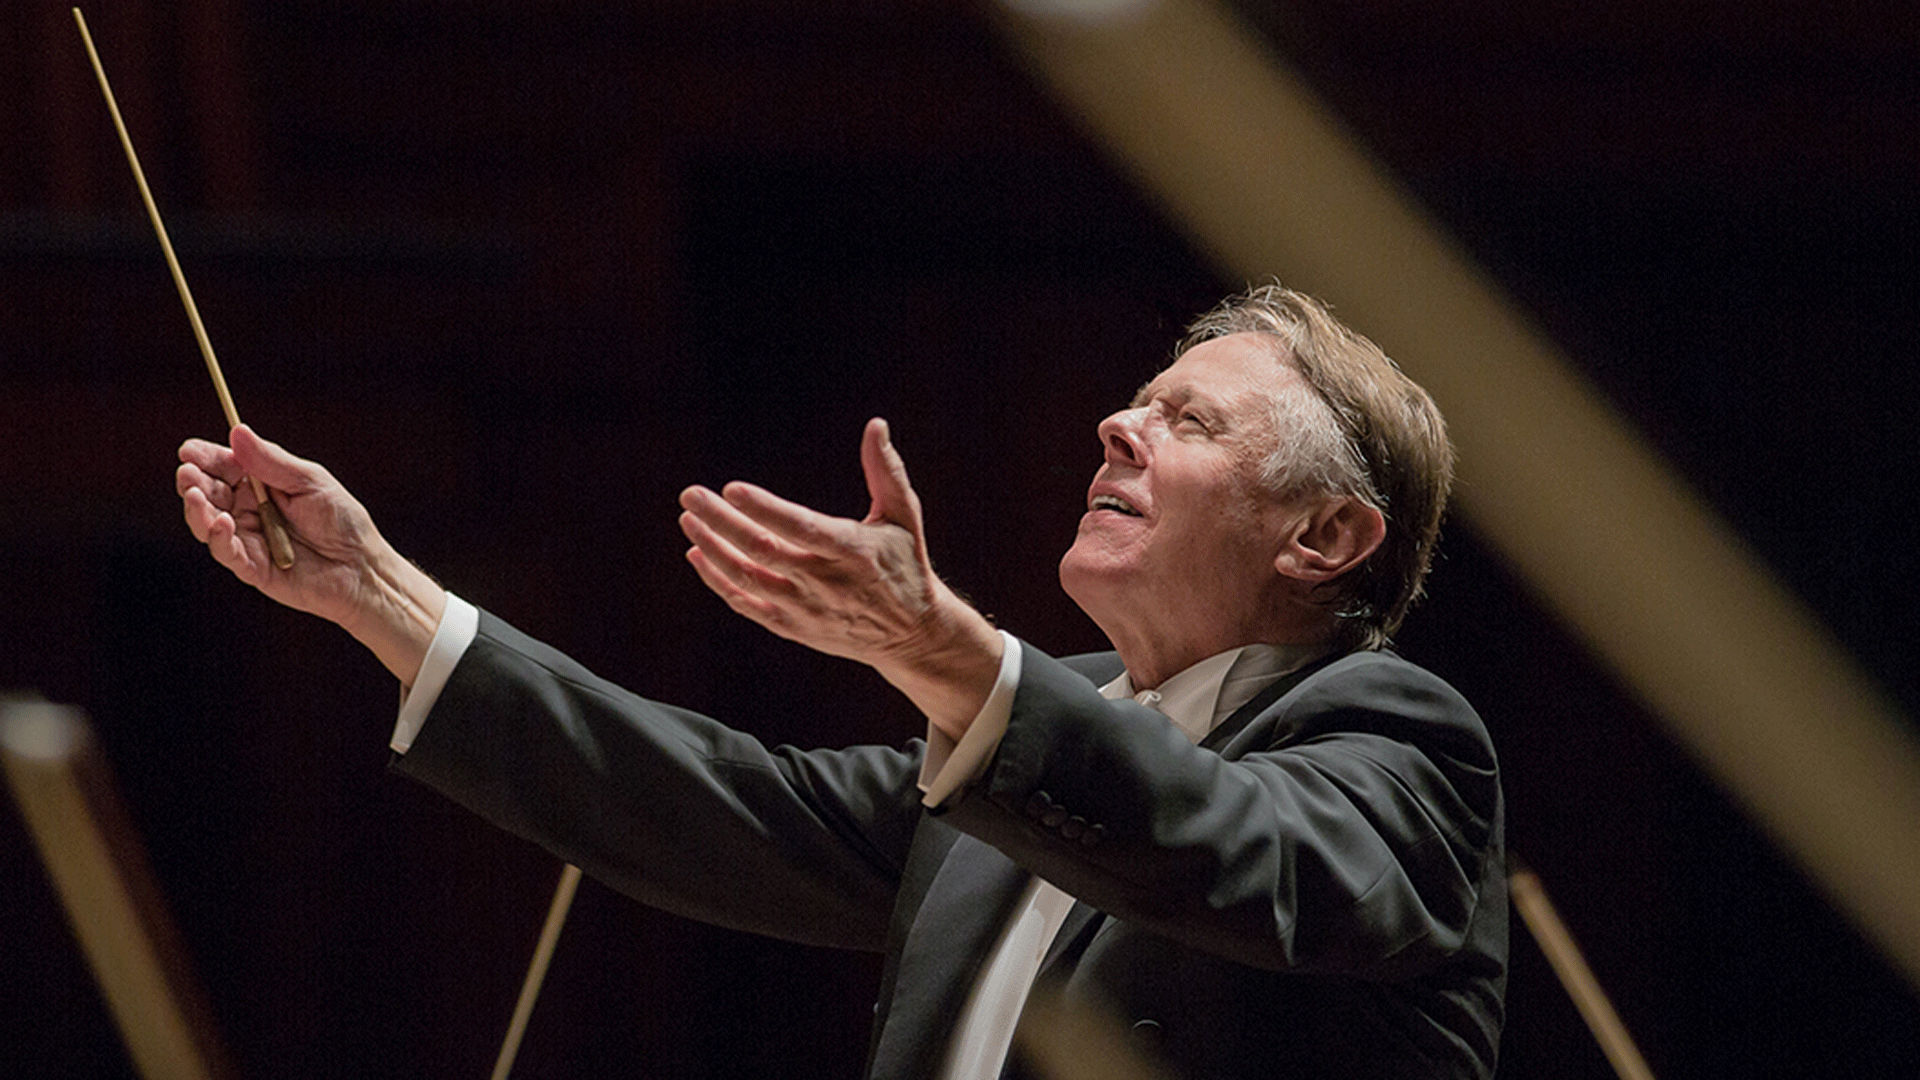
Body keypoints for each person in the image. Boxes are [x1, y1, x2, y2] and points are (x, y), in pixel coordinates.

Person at [176, 284, 1506, 1079]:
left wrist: (952, 657)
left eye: (1189, 420)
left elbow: (1240, 852)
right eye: (1138, 402)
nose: (1117, 424)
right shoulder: (1022, 748)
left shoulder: (1400, 742)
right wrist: (379, 594)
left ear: (1324, 535)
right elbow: (712, 805)